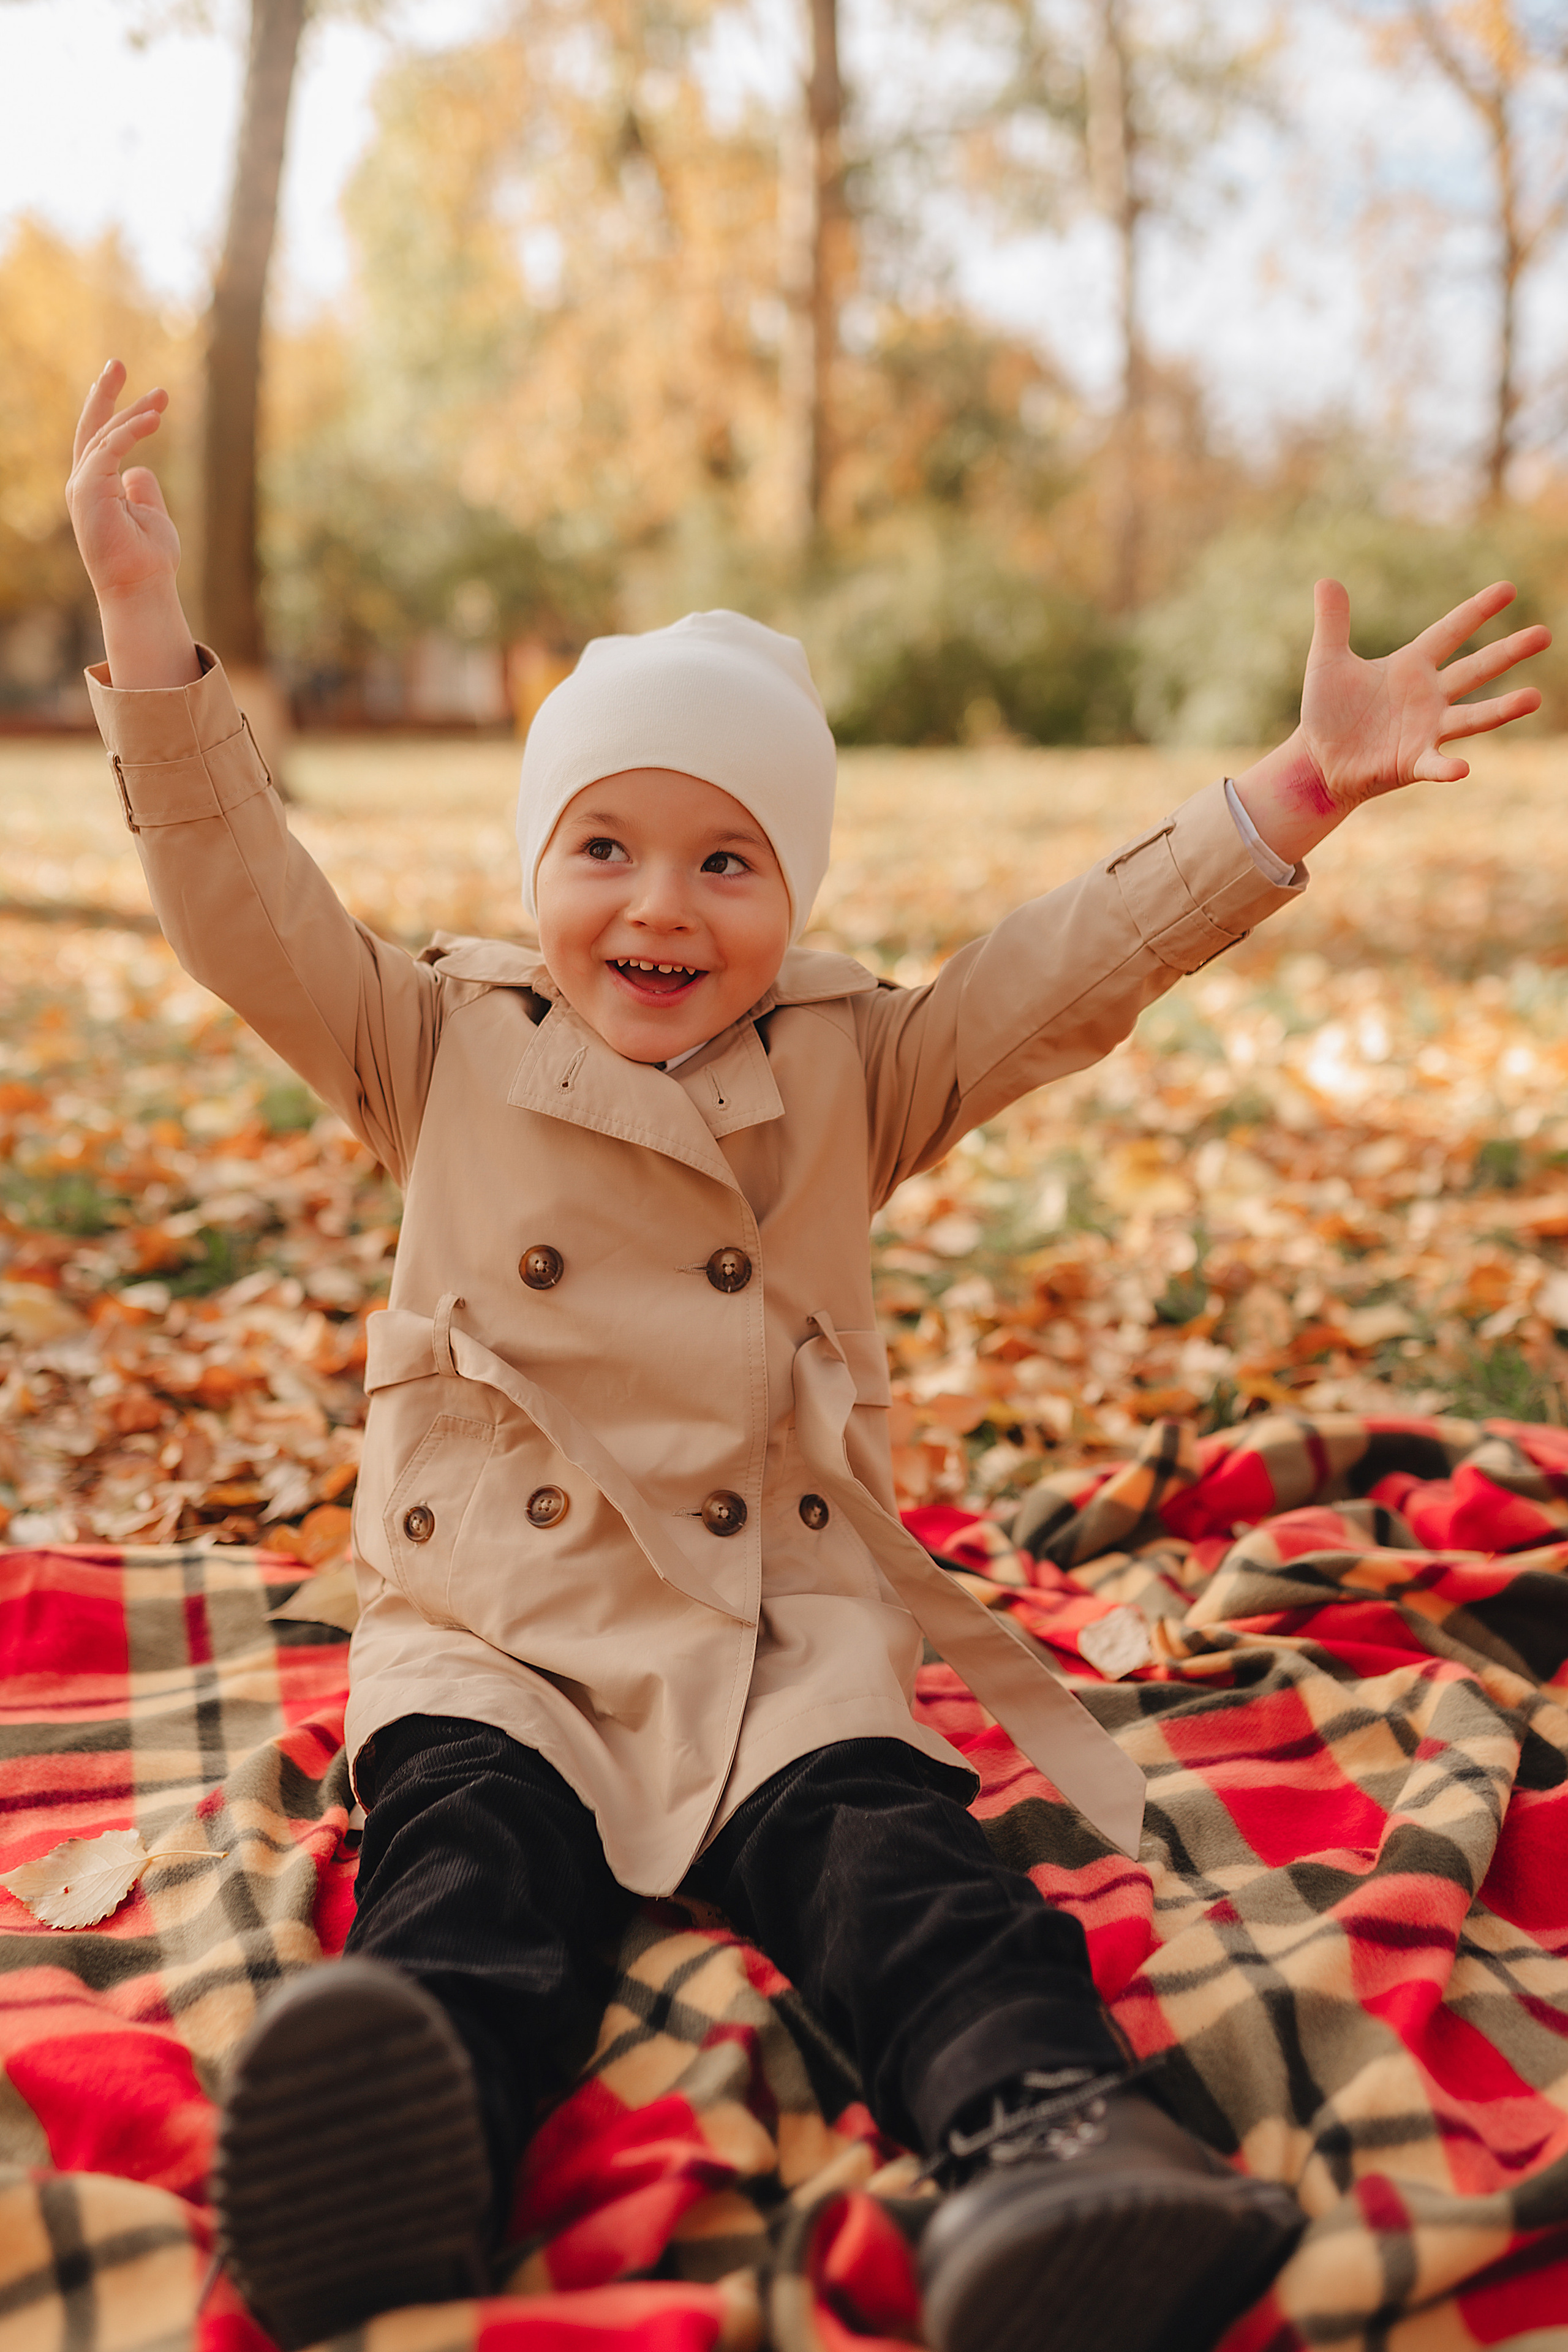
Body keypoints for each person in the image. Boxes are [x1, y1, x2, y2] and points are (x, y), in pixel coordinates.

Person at [67, 361, 1549, 2352]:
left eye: (727, 858)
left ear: (794, 894)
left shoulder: (859, 1066)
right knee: (468, 1867)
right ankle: (395, 2121)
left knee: (899, 1867)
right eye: (604, 845)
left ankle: (1050, 2143)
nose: (659, 905)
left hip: (779, 1618)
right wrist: (149, 630)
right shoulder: (424, 1037)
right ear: (536, 869)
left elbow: (1059, 971)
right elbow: (240, 899)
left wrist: (1279, 801)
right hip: (495, 1619)